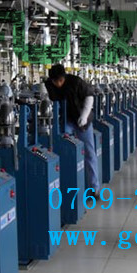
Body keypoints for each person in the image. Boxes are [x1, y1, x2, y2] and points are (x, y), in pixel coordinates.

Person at [45, 64, 99, 195]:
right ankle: (65, 184)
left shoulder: (76, 82)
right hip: (67, 121)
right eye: (55, 81)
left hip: (82, 121)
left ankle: (94, 187)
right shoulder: (50, 85)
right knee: (62, 147)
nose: (58, 84)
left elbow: (89, 97)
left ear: (64, 77)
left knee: (89, 152)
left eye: (60, 80)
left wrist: (84, 116)